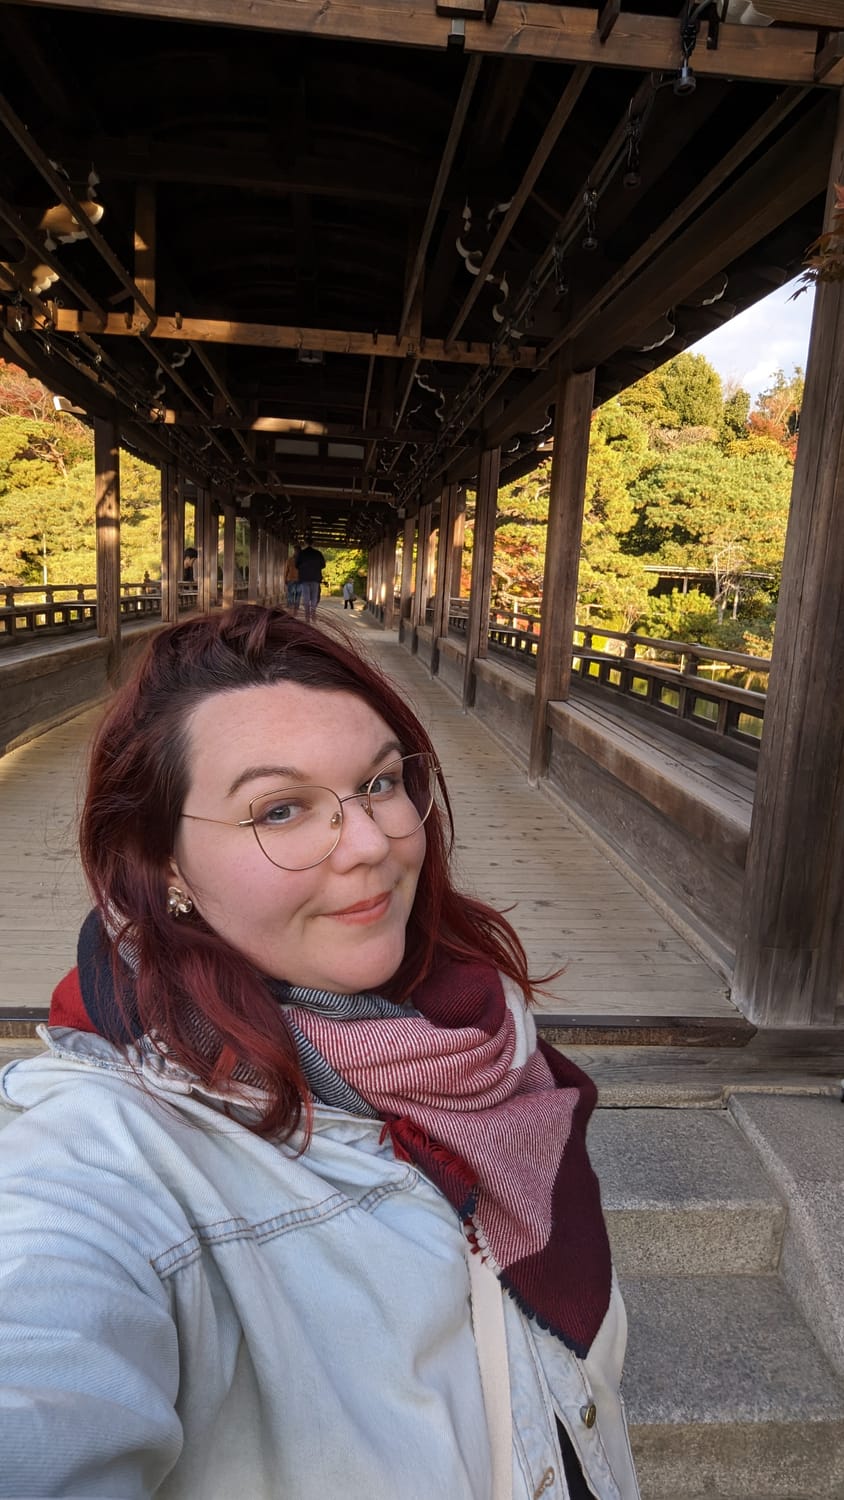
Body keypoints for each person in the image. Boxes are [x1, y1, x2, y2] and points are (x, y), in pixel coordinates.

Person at [0, 605, 640, 1500]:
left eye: (380, 782)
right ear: (163, 862)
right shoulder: (100, 1156)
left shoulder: (477, 1037)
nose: (372, 844)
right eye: (280, 809)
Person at [295, 537, 326, 624]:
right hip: (315, 578)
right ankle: (313, 614)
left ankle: (307, 616)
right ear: (313, 543)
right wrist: (315, 567)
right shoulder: (318, 553)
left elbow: (296, 565)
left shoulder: (301, 553)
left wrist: (304, 568)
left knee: (306, 598)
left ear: (305, 543)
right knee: (314, 598)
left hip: (304, 578)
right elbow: (323, 565)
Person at [284, 547, 301, 614]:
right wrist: (285, 578)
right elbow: (286, 570)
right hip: (296, 580)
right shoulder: (302, 560)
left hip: (293, 579)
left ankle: (291, 609)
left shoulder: (290, 560)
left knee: (292, 594)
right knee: (296, 595)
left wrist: (285, 579)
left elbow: (286, 570)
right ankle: (294, 609)